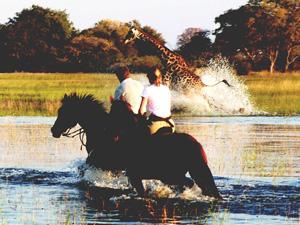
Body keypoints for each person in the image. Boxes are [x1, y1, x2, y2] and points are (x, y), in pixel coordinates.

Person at [138, 67, 175, 135]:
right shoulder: (166, 89)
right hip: (170, 123)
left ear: (150, 78)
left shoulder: (147, 89)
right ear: (161, 77)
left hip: (156, 124)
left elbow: (141, 110)